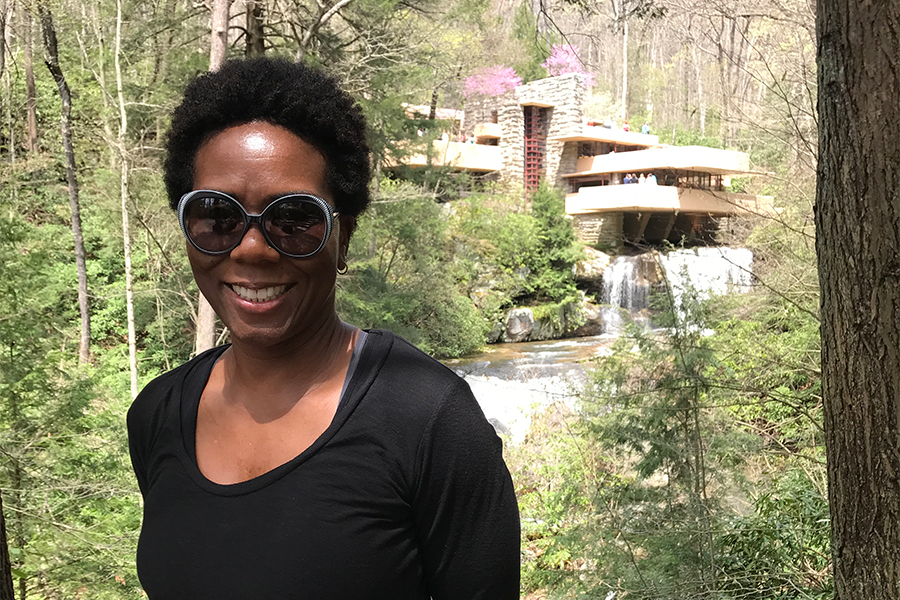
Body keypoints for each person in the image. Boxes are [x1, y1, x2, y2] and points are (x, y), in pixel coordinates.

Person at [127, 57, 520, 600]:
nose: (252, 249)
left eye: (293, 218)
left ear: (344, 236)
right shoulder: (157, 415)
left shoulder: (429, 419)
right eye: (217, 218)